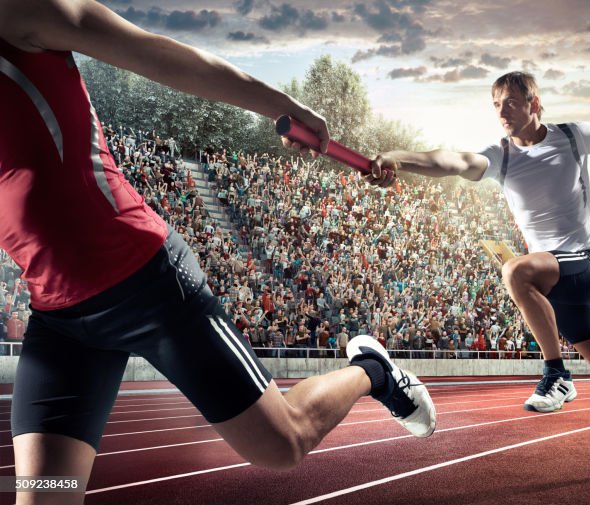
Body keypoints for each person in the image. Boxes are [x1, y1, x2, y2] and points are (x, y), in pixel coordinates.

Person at [0, 1, 435, 503]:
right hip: (59, 315)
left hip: (145, 282)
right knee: (44, 495)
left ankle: (374, 370)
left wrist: (278, 104)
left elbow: (158, 55)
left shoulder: (18, 12)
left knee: (283, 443)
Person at [364, 71, 590, 450]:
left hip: (588, 262)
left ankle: (556, 374)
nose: (501, 111)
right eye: (495, 104)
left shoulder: (573, 136)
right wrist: (396, 159)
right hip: (556, 277)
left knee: (516, 271)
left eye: (510, 102)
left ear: (534, 104)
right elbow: (452, 161)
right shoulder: (501, 156)